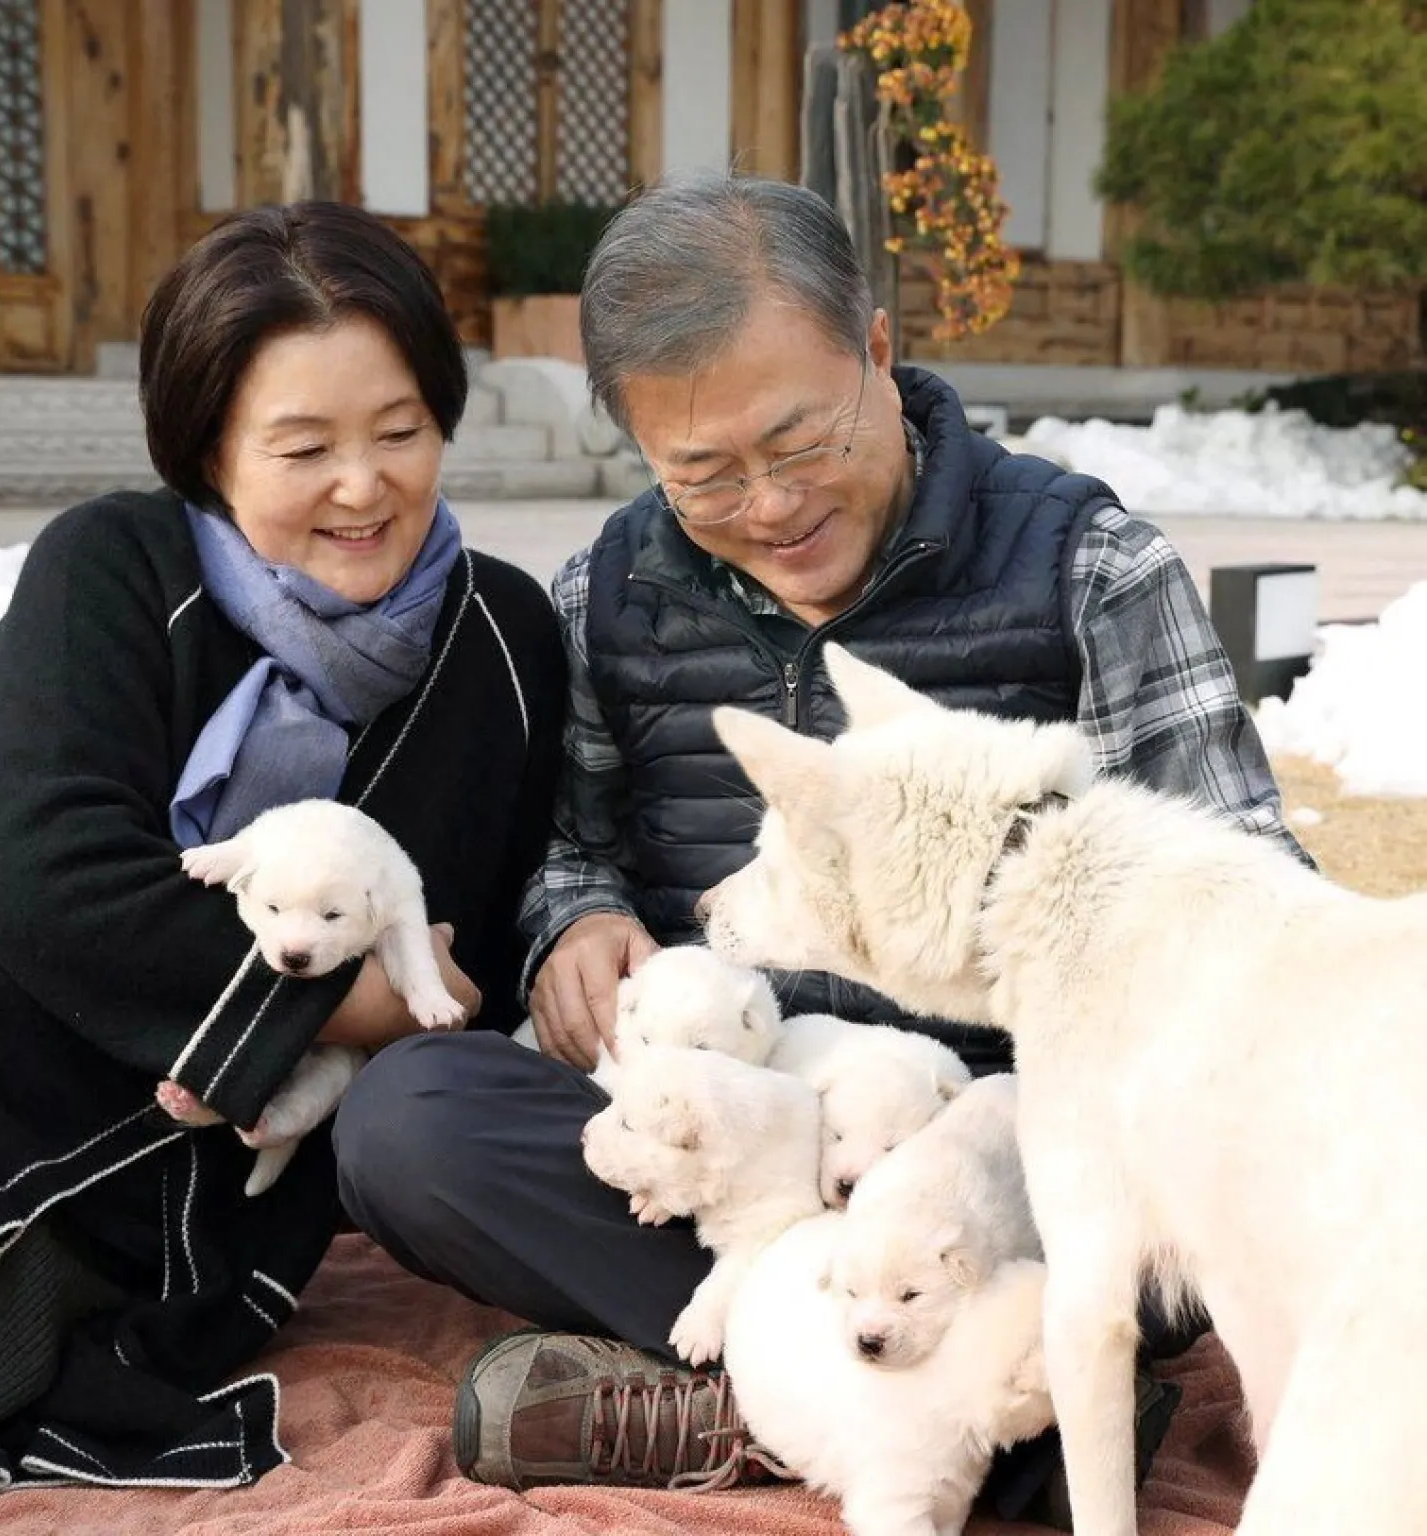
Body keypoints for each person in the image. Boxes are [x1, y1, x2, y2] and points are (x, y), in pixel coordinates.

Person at [334, 175, 1306, 1509]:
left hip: (1010, 1151)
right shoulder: (609, 594)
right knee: (407, 1123)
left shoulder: (1086, 568)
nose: (771, 504)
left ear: (881, 354)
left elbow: (1254, 905)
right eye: (705, 475)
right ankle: (960, 1409)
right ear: (637, 450)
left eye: (798, 442)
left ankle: (746, 1407)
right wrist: (577, 924)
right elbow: (572, 845)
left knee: (1145, 1221)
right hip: (742, 1126)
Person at [0, 201, 565, 1490]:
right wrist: (351, 993)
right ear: (209, 444)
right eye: (303, 446)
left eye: (401, 432)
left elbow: (480, 934)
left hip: (220, 1171)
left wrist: (401, 1005)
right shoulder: (109, 563)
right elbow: (36, 878)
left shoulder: (505, 639)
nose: (363, 485)